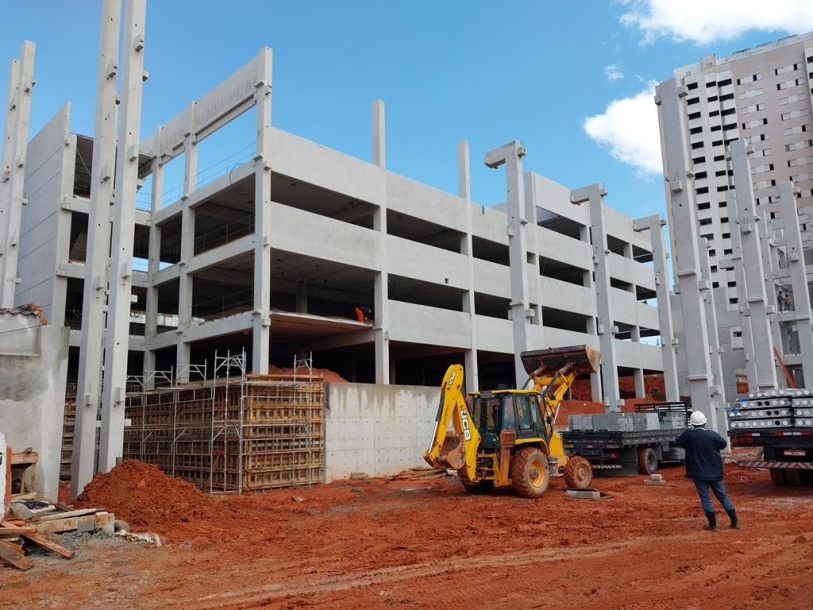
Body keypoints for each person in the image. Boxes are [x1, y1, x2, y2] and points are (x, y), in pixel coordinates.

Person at [675, 411, 738, 531]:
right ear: (705, 422)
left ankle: (713, 525)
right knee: (722, 496)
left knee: (705, 498)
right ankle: (735, 522)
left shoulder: (687, 435)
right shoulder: (713, 435)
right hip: (715, 471)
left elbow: (678, 441)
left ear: (692, 424)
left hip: (698, 473)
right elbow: (723, 445)